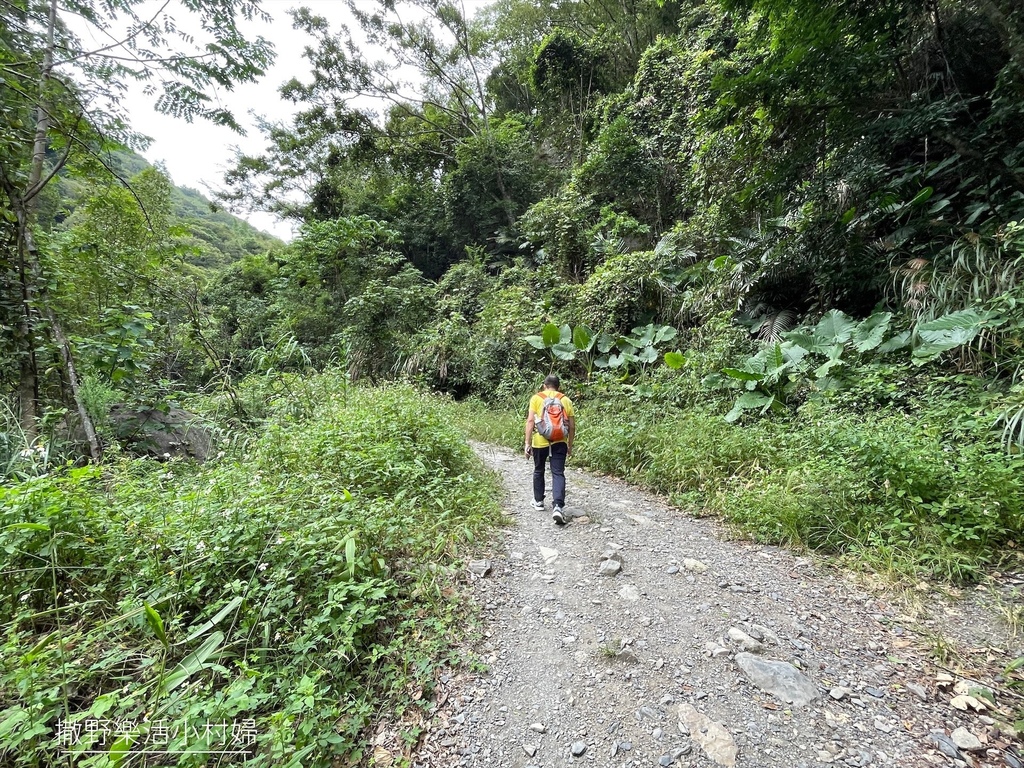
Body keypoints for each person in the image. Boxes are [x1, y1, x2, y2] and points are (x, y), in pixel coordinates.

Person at [524, 374, 576, 526]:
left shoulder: (536, 398)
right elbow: (571, 426)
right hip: (560, 441)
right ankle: (558, 506)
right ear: (558, 387)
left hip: (540, 441)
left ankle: (539, 501)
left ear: (544, 385)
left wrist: (527, 443)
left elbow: (530, 421)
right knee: (558, 473)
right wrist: (570, 445)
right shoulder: (565, 399)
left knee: (539, 470)